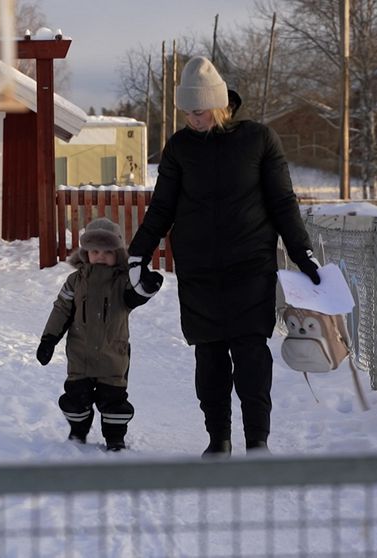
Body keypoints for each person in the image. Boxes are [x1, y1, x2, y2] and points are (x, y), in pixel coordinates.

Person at [127, 56, 321, 458]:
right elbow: (161, 207)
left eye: (198, 112)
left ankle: (258, 444)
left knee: (251, 357)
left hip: (251, 267)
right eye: (187, 113)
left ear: (218, 104)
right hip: (199, 272)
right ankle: (218, 441)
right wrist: (137, 255)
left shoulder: (259, 139)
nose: (192, 120)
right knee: (210, 359)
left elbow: (283, 202)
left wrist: (303, 255)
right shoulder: (180, 147)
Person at [37, 217, 163, 451]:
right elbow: (61, 310)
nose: (100, 256)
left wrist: (146, 286)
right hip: (80, 355)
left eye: (107, 252)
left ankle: (115, 437)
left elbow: (135, 296)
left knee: (113, 401)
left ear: (118, 254)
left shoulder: (123, 281)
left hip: (112, 356)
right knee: (76, 399)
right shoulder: (75, 281)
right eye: (95, 251)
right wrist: (49, 339)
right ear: (86, 253)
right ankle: (78, 431)